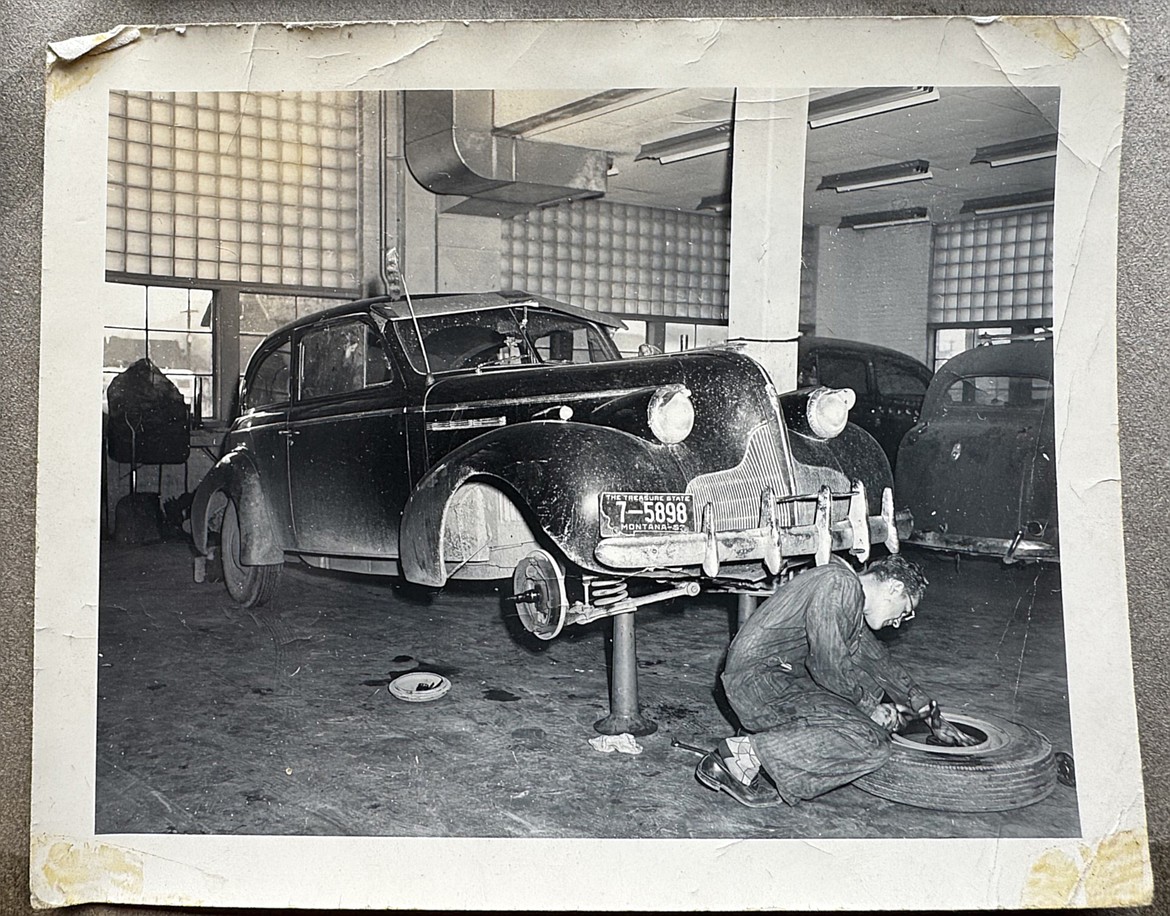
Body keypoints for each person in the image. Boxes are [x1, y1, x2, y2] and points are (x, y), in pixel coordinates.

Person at [696, 554, 974, 807]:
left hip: (771, 681)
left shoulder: (848, 598)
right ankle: (739, 757)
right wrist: (869, 709)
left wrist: (931, 714)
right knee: (871, 742)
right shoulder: (840, 585)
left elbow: (880, 664)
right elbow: (828, 667)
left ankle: (760, 739)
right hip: (759, 683)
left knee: (869, 684)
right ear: (894, 588)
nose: (899, 622)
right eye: (905, 611)